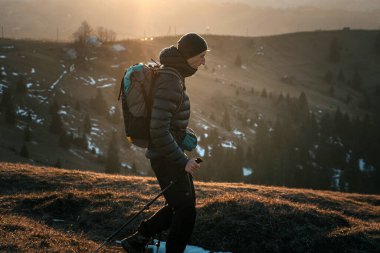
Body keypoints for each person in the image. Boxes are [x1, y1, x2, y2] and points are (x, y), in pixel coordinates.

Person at [121, 33, 208, 253]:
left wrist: (182, 133)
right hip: (167, 156)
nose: (204, 61)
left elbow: (165, 121)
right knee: (186, 211)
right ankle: (141, 241)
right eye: (201, 55)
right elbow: (158, 129)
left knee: (178, 206)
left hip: (167, 152)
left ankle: (137, 240)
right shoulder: (171, 79)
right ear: (188, 56)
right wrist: (182, 162)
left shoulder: (173, 73)